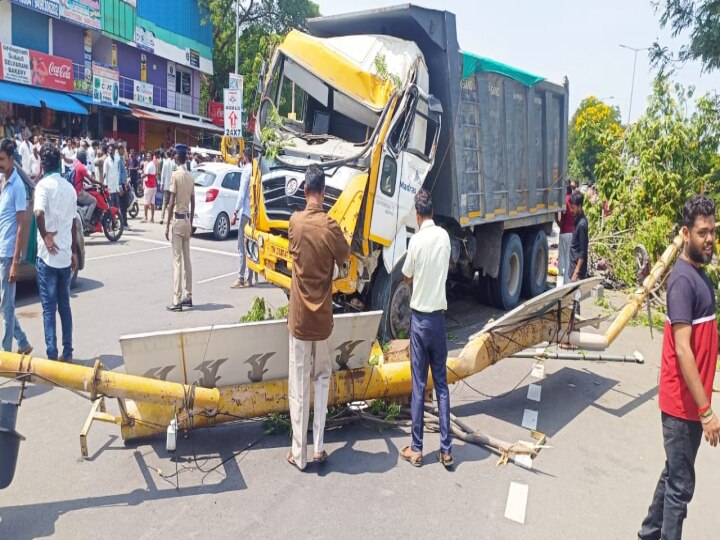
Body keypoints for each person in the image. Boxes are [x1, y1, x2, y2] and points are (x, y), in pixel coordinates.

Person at [638, 195, 720, 539]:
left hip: (688, 403)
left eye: (713, 231)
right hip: (682, 406)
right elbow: (684, 351)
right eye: (702, 232)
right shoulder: (683, 281)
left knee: (674, 473)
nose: (709, 239)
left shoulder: (700, 275)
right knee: (681, 488)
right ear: (686, 234)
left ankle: (647, 533)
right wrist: (705, 411)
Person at [286, 165, 350, 471]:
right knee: (322, 379)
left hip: (299, 320)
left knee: (299, 384)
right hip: (323, 320)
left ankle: (298, 453)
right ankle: (319, 447)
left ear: (304, 191)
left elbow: (293, 257)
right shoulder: (331, 227)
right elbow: (345, 258)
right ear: (323, 193)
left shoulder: (295, 223)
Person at [399, 188, 453, 468]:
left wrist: (414, 282)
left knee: (419, 386)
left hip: (420, 322)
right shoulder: (444, 237)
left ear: (418, 215)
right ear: (432, 211)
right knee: (441, 385)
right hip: (439, 320)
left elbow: (406, 275)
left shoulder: (416, 241)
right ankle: (446, 450)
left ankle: (417, 449)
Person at [34, 143, 78, 362]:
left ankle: (52, 356)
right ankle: (68, 353)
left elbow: (39, 213)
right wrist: (73, 252)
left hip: (48, 256)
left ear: (43, 164)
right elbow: (72, 223)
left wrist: (45, 236)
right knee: (64, 307)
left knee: (48, 309)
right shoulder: (69, 188)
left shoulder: (42, 186)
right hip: (64, 256)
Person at [0, 139, 33, 355]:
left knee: (7, 306)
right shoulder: (2, 182)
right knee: (5, 305)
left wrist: (15, 262)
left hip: (8, 253)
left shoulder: (18, 187)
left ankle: (6, 354)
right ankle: (22, 342)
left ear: (12, 159)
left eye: (2, 159)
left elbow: (21, 226)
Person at [165, 149, 195, 312]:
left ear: (178, 158)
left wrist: (167, 224)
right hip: (187, 220)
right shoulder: (190, 176)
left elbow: (171, 202)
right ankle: (188, 296)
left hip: (177, 220)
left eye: (175, 154)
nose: (174, 156)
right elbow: (193, 201)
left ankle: (177, 300)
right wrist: (191, 222)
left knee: (177, 261)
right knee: (187, 260)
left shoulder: (176, 175)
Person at [230, 147, 255, 288]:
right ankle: (250, 278)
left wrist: (235, 212)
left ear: (245, 156)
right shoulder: (258, 169)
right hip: (255, 214)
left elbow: (242, 193)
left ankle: (240, 277)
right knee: (251, 247)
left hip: (246, 212)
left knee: (242, 246)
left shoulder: (246, 170)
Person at [73, 149, 101, 228]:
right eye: (84, 156)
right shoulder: (81, 167)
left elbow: (82, 177)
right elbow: (91, 178)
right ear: (81, 156)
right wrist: (100, 183)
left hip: (74, 190)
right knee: (94, 201)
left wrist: (89, 183)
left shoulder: (75, 163)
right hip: (79, 192)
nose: (85, 158)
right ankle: (87, 220)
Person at [556, 180, 576, 284]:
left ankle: (559, 283)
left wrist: (559, 225)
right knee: (569, 257)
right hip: (572, 232)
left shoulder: (563, 201)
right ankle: (566, 282)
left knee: (562, 257)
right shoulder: (573, 201)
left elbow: (559, 218)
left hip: (563, 232)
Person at [568, 189, 588, 282]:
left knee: (576, 296)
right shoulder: (577, 219)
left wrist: (576, 273)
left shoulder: (581, 224)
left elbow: (582, 252)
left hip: (577, 275)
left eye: (573, 207)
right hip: (573, 269)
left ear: (579, 206)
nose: (571, 210)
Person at [159, 149, 176, 225]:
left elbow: (163, 174)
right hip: (172, 185)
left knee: (164, 202)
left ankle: (162, 218)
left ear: (166, 155)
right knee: (171, 203)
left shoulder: (165, 163)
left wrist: (161, 184)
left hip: (166, 185)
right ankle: (171, 218)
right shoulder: (174, 164)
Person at [103, 144, 121, 211]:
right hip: (109, 187)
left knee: (117, 205)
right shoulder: (106, 161)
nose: (111, 151)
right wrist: (106, 186)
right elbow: (105, 173)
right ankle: (111, 219)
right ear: (108, 150)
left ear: (114, 151)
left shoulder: (116, 160)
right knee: (110, 205)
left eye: (112, 150)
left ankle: (116, 219)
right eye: (110, 150)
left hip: (115, 186)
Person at [141, 151, 157, 223]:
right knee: (152, 202)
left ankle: (145, 217)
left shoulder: (149, 165)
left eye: (148, 156)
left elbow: (145, 174)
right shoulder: (153, 164)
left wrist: (141, 176)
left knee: (146, 202)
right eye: (147, 156)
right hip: (153, 185)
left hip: (149, 185)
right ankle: (152, 218)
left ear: (151, 157)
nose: (147, 157)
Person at [117, 145, 131, 230]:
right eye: (123, 150)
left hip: (123, 183)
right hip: (120, 184)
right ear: (119, 150)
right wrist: (119, 187)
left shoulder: (121, 159)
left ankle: (124, 223)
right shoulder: (118, 160)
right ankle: (123, 224)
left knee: (124, 205)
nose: (124, 151)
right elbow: (118, 173)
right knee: (123, 205)